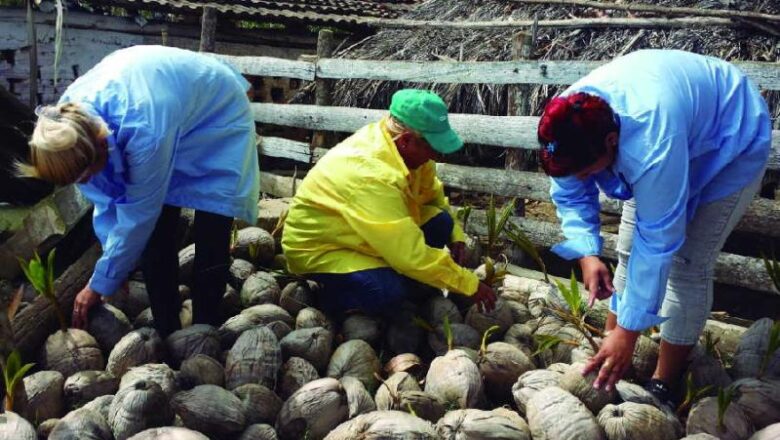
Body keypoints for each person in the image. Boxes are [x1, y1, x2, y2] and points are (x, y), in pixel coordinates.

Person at [537, 49, 771, 401]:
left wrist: (629, 333)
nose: (583, 179)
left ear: (612, 143)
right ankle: (614, 357)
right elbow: (570, 192)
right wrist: (587, 252)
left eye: (588, 171)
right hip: (678, 124)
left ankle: (664, 381)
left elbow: (659, 240)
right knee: (627, 251)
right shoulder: (564, 126)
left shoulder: (650, 142)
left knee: (688, 265)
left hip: (730, 138)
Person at [18, 46, 260, 338]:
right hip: (167, 105)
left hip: (216, 111)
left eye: (88, 171)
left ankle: (205, 329)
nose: (85, 180)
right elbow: (105, 199)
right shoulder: (65, 126)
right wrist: (113, 262)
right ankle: (168, 332)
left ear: (99, 142)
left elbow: (139, 213)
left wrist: (100, 282)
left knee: (213, 227)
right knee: (156, 238)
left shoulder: (144, 132)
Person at [282, 89, 497, 319]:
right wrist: (469, 284)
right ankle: (326, 298)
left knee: (441, 222)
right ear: (406, 141)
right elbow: (409, 254)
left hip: (366, 232)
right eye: (433, 148)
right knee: (387, 294)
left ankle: (403, 279)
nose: (437, 156)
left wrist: (456, 236)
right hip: (324, 248)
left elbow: (433, 196)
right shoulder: (372, 175)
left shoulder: (409, 152)